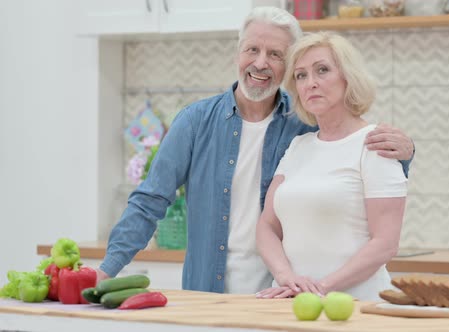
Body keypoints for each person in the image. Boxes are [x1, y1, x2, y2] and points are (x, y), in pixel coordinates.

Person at [97, 7, 414, 295]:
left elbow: (356, 156)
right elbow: (150, 201)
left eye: (275, 54)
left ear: (288, 65)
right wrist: (107, 268)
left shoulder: (303, 126)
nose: (261, 63)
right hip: (209, 293)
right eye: (252, 49)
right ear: (238, 53)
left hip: (280, 296)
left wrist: (406, 153)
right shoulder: (195, 122)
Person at [255, 32, 407, 301]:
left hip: (358, 305)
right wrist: (286, 278)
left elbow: (385, 244)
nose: (310, 83)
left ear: (348, 77)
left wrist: (321, 288)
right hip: (294, 303)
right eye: (301, 76)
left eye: (322, 70)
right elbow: (267, 225)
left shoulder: (374, 144)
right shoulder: (298, 146)